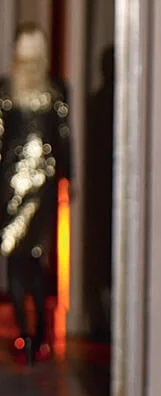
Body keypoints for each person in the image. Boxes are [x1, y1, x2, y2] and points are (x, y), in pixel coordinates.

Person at [0, 23, 72, 364]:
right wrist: (67, 178)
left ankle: (27, 335)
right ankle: (40, 334)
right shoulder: (55, 90)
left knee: (15, 259)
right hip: (42, 182)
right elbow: (64, 139)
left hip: (12, 183)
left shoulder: (7, 90)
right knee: (35, 258)